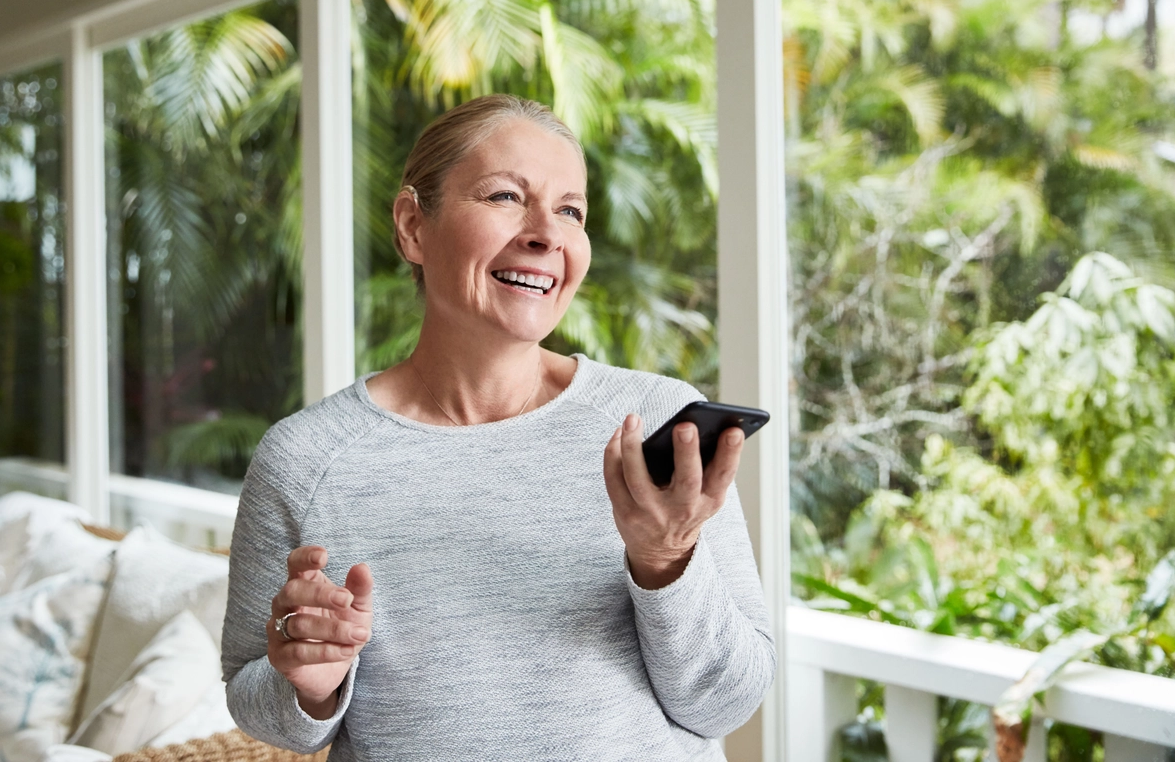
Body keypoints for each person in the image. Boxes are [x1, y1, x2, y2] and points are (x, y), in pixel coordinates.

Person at [221, 94, 775, 761]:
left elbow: (727, 702)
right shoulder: (306, 459)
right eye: (505, 196)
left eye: (571, 210)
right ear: (412, 226)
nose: (547, 232)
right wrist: (309, 684)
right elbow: (256, 702)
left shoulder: (652, 425)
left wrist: (665, 565)